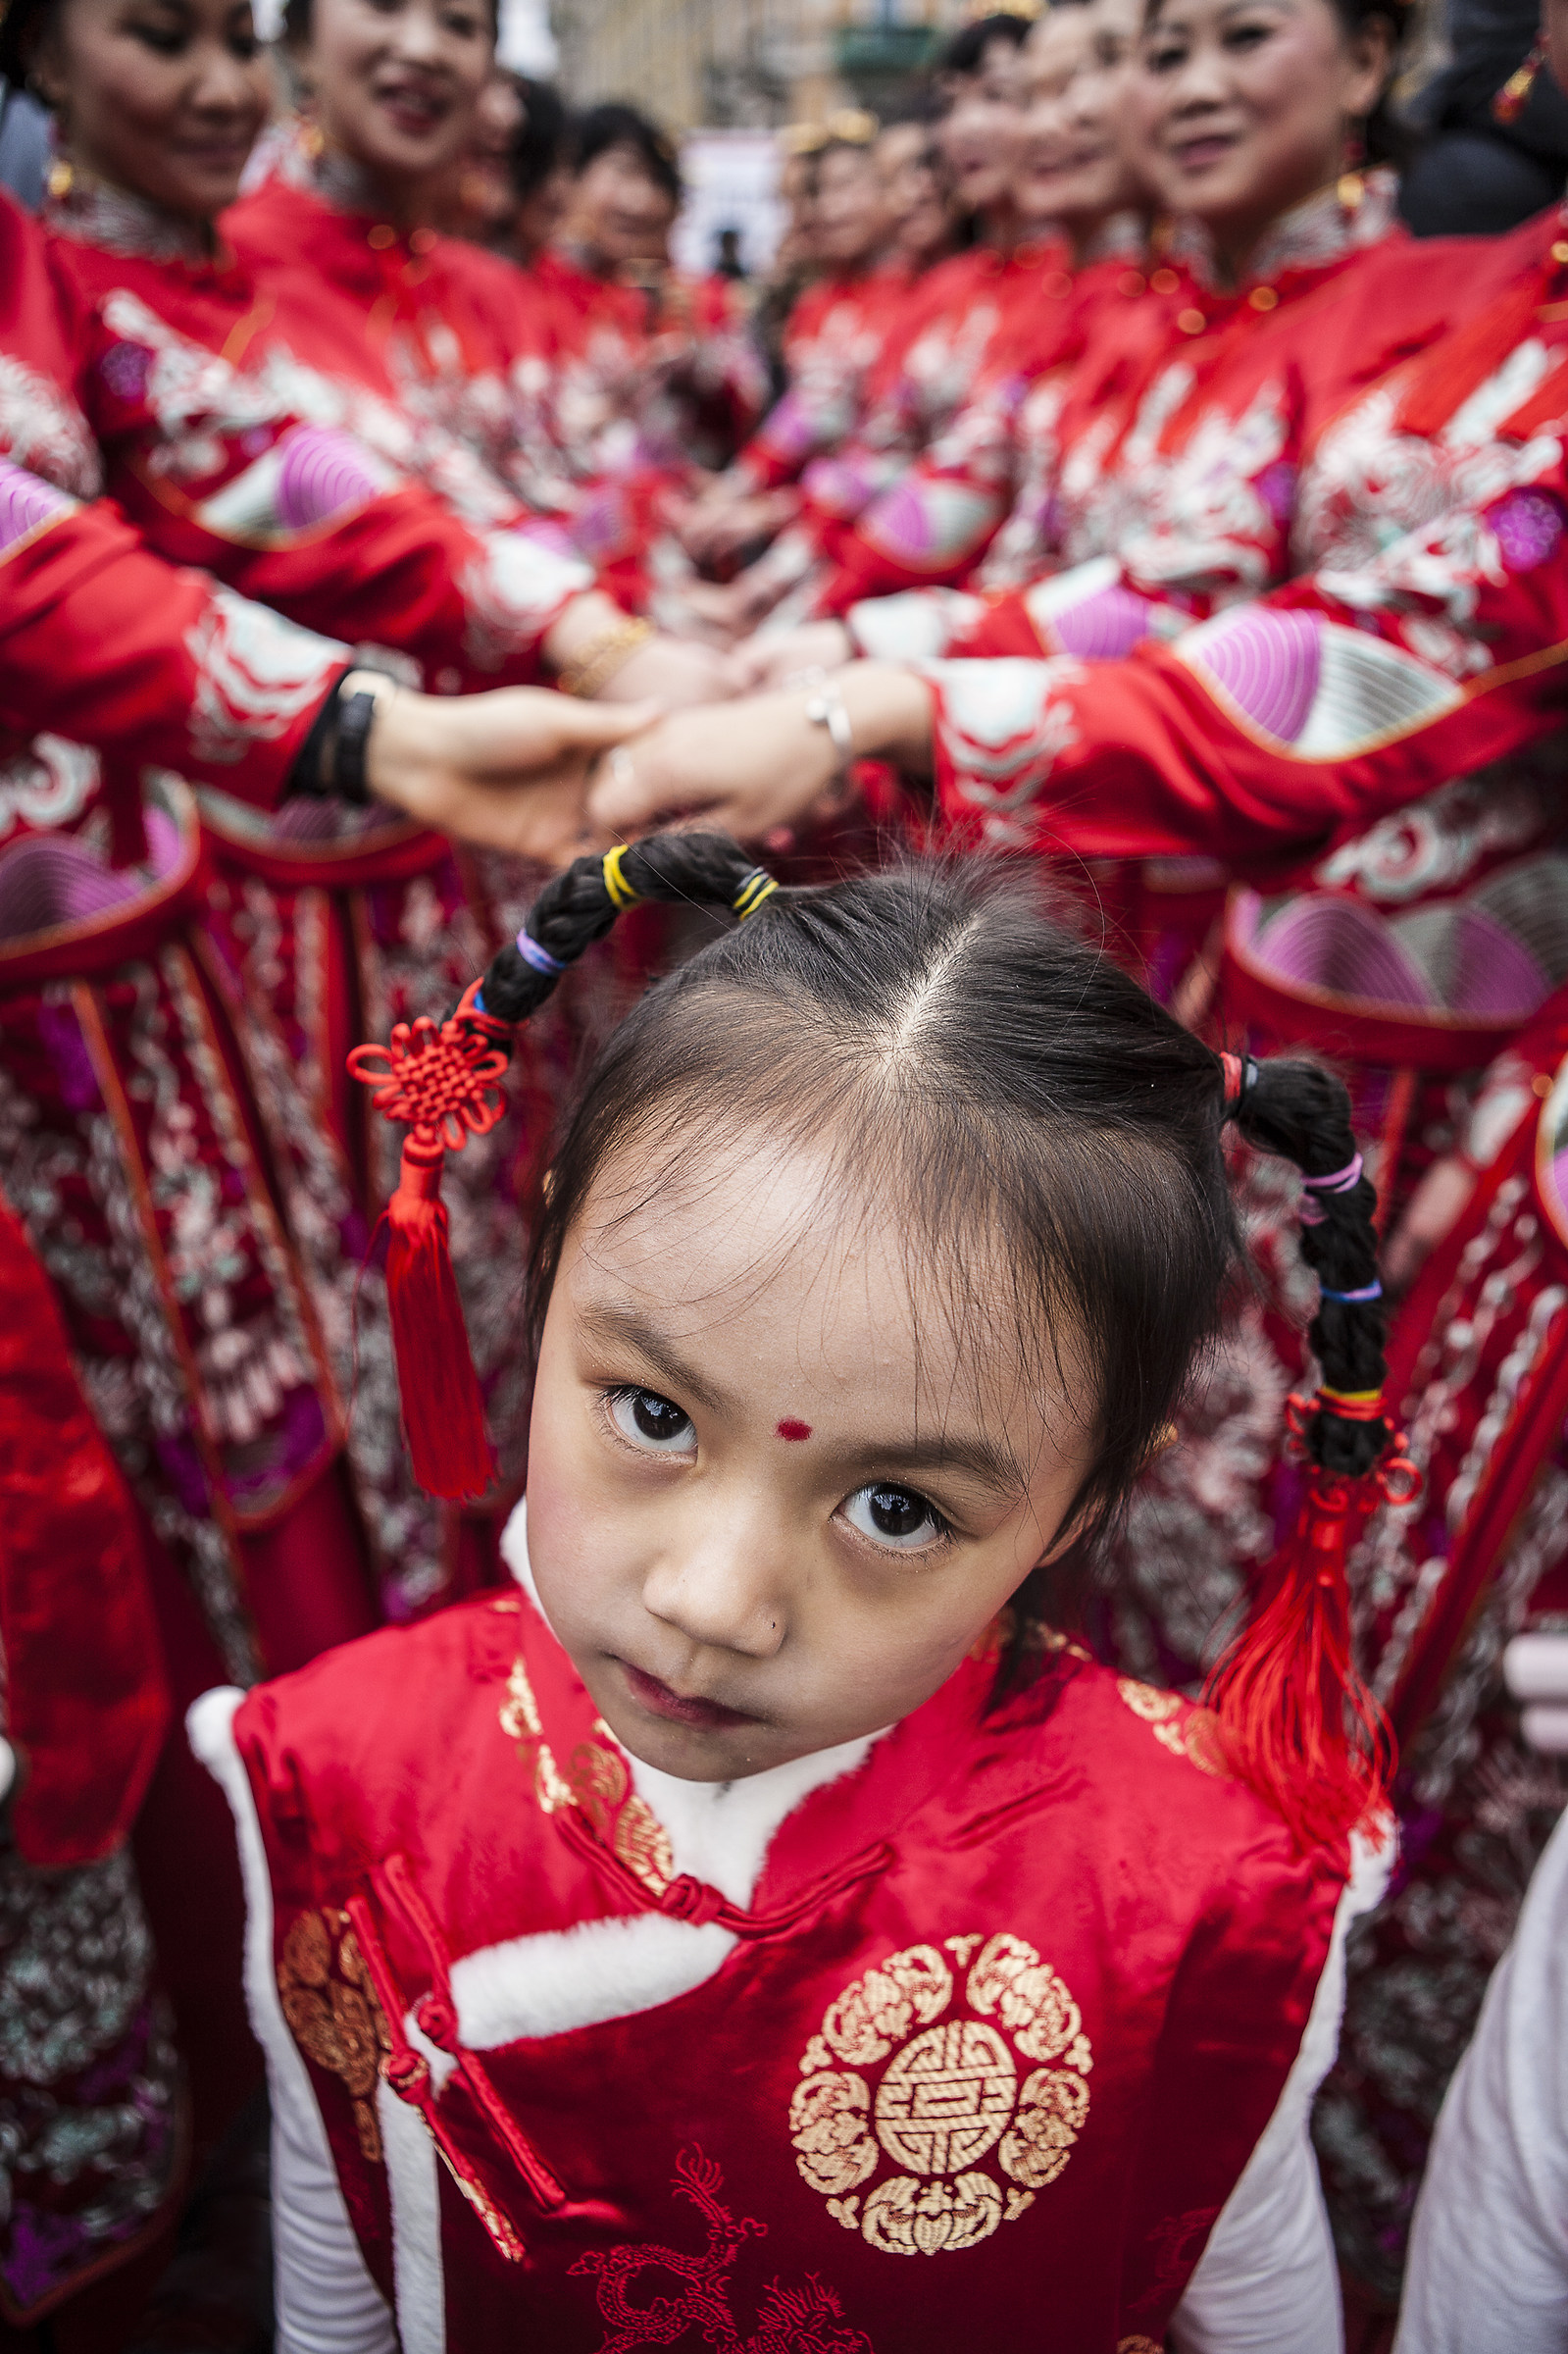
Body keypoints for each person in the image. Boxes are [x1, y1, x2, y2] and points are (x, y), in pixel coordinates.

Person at [194, 837, 1400, 2351]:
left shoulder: (1194, 1892)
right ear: (547, 1264)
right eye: (652, 1414)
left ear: (1084, 1503)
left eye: (897, 1508)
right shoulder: (343, 1773)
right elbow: (341, 2273)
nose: (714, 1602)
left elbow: (1260, 2303)